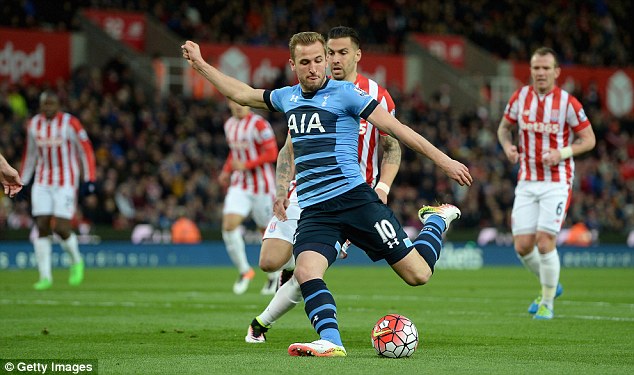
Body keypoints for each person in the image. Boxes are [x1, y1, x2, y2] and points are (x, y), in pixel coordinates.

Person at [182, 31, 472, 357]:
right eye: (305, 62)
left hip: (355, 201)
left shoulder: (347, 94)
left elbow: (397, 131)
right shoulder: (287, 97)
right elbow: (244, 93)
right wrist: (200, 64)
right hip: (315, 209)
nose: (314, 68)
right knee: (305, 271)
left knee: (418, 275)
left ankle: (435, 220)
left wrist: (445, 161)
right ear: (293, 64)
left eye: (319, 60)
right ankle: (331, 340)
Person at [245, 26, 402, 344]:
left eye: (342, 52)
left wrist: (383, 187)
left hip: (351, 195)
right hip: (304, 188)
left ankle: (260, 324)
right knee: (269, 261)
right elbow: (289, 147)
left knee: (309, 267)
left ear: (357, 55)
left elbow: (393, 146)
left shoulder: (377, 95)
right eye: (329, 53)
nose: (334, 59)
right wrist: (281, 189)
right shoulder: (310, 90)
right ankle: (275, 306)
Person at [497, 47, 596, 320]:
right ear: (530, 70)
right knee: (522, 246)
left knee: (544, 242)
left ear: (556, 72)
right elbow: (503, 128)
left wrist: (561, 153)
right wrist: (507, 147)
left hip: (557, 180)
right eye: (536, 68)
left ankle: (548, 301)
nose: (540, 73)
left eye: (545, 68)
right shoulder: (520, 98)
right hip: (527, 179)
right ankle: (551, 283)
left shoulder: (568, 103)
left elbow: (589, 139)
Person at [20, 90, 97, 290]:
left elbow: (86, 150)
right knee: (42, 225)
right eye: (45, 104)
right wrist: (22, 180)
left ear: (58, 105)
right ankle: (45, 276)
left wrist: (89, 178)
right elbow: (29, 154)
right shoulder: (33, 125)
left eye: (52, 104)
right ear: (41, 105)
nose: (48, 107)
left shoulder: (70, 123)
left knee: (61, 227)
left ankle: (76, 260)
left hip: (66, 181)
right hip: (42, 181)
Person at [219, 99, 280, 295]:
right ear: (229, 103)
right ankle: (245, 271)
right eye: (233, 102)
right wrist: (226, 170)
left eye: (241, 102)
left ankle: (274, 276)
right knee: (229, 225)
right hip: (240, 185)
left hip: (263, 186)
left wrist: (246, 165)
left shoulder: (260, 124)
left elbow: (272, 153)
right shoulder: (229, 125)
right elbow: (235, 153)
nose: (238, 106)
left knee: (266, 230)